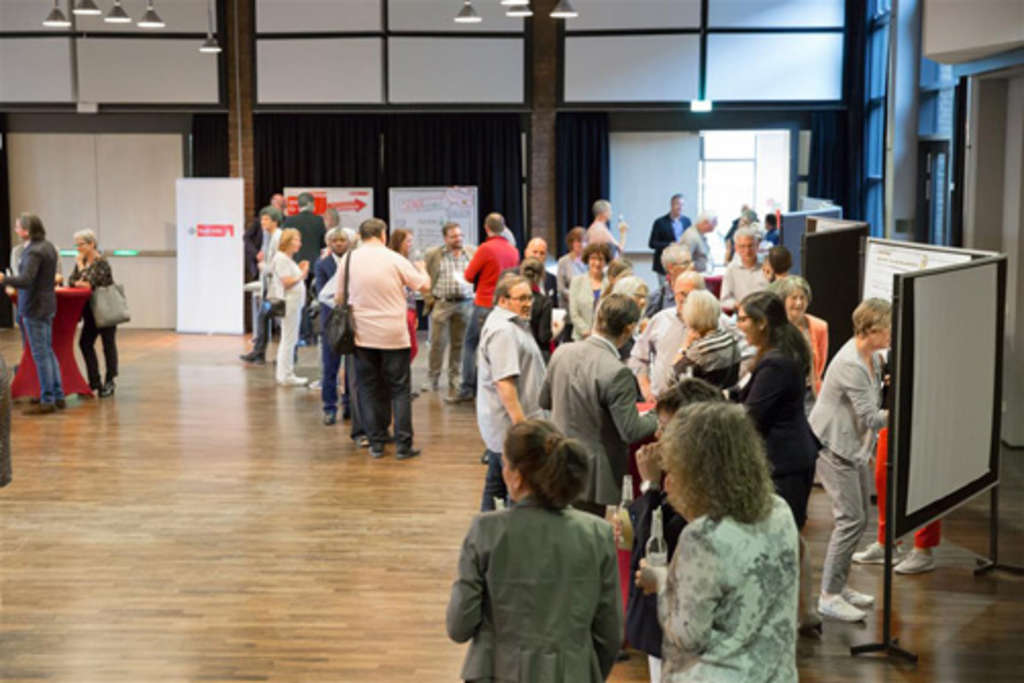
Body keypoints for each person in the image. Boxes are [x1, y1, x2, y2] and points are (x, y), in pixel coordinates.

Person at [446, 420, 622, 683]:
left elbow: (459, 626)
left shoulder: (485, 531)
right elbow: (609, 634)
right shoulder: (598, 534)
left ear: (516, 477)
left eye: (505, 464)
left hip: (496, 671)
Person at [634, 403, 799, 682]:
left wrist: (662, 583)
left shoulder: (702, 537)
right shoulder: (779, 510)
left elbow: (688, 635)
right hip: (774, 671)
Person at [622, 378, 723, 683]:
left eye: (665, 428)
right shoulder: (699, 477)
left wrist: (650, 485)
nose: (656, 435)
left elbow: (655, 549)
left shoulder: (699, 491)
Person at [735, 290, 821, 634]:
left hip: (784, 460)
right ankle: (804, 613)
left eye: (743, 319)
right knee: (790, 538)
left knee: (780, 540)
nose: (739, 325)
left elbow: (752, 415)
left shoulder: (776, 362)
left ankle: (785, 616)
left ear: (762, 323)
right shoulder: (778, 355)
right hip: (791, 457)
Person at [809, 299, 891, 622]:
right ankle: (828, 595)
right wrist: (906, 412)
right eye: (887, 328)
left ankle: (838, 586)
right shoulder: (851, 365)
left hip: (851, 447)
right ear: (870, 330)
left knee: (859, 518)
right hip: (833, 448)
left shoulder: (871, 357)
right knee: (850, 520)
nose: (891, 333)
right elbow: (871, 417)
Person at [541, 294, 658, 513]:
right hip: (592, 474)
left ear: (598, 317)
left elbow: (544, 401)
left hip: (557, 461)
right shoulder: (617, 371)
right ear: (629, 328)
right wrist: (658, 414)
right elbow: (631, 430)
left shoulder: (562, 352)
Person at [336, 218, 430, 460]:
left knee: (368, 389)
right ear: (383, 235)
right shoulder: (395, 259)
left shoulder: (348, 259)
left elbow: (338, 297)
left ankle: (376, 443)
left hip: (362, 335)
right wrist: (423, 269)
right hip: (393, 335)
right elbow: (424, 286)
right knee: (399, 389)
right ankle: (403, 445)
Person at [475, 275, 547, 511]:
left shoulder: (511, 324)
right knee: (516, 490)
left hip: (506, 429)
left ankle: (487, 537)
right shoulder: (504, 331)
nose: (528, 303)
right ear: (504, 300)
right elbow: (504, 383)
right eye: (521, 298)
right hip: (509, 428)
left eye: (530, 297)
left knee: (497, 484)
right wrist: (522, 429)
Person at [449, 213, 520, 404]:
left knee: (471, 345)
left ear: (486, 228)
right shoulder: (513, 251)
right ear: (504, 228)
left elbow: (469, 276)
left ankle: (467, 389)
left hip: (485, 303)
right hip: (506, 306)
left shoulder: (485, 248)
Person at [853, 427, 942, 574]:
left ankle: (923, 548)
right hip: (891, 411)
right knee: (884, 474)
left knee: (924, 469)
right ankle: (887, 542)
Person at [0, 214, 63, 414]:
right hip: (46, 305)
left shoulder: (33, 252)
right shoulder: (48, 246)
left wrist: (4, 279)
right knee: (48, 350)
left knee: (40, 353)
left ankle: (47, 400)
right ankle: (58, 394)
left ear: (27, 230)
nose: (16, 230)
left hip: (34, 307)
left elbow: (26, 280)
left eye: (18, 227)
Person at [630, 271, 705, 403]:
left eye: (690, 294)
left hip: (700, 404)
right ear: (674, 292)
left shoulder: (718, 321)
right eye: (681, 293)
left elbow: (745, 354)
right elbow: (638, 357)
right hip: (662, 401)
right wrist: (645, 388)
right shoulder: (660, 319)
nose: (684, 299)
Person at [422, 222, 475, 395]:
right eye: (453, 236)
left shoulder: (471, 252)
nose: (458, 239)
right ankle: (433, 378)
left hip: (465, 303)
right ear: (445, 238)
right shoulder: (434, 254)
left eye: (460, 235)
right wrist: (429, 298)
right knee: (438, 343)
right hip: (442, 303)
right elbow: (425, 277)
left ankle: (455, 377)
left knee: (459, 344)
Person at [69, 229, 119, 398]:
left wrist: (82, 271)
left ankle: (110, 380)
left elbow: (89, 283)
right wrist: (80, 279)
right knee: (84, 343)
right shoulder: (81, 261)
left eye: (81, 244)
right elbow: (71, 280)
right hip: (90, 312)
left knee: (108, 345)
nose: (78, 248)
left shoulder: (101, 262)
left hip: (105, 310)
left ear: (91, 244)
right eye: (76, 244)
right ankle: (94, 381)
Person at [314, 228, 352, 425]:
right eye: (334, 240)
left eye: (342, 240)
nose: (338, 243)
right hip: (331, 321)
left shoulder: (355, 262)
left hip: (353, 321)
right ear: (329, 243)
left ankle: (349, 405)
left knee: (352, 367)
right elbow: (322, 293)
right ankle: (329, 407)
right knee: (330, 367)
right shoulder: (322, 264)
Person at [770, 275, 828, 398]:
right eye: (794, 298)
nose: (799, 303)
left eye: (803, 298)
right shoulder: (774, 327)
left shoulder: (820, 326)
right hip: (779, 391)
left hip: (809, 392)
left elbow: (820, 364)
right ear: (783, 300)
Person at [240, 206, 283, 365]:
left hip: (276, 287)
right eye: (262, 219)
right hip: (269, 285)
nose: (262, 222)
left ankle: (285, 356)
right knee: (263, 318)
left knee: (279, 321)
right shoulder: (269, 236)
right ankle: (259, 352)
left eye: (266, 219)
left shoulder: (278, 237)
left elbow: (278, 263)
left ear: (274, 221)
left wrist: (264, 267)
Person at [672, 289, 739, 390]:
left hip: (705, 403)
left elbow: (674, 377)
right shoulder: (730, 339)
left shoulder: (701, 350)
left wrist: (685, 345)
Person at [283, 192, 326, 345]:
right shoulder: (318, 221)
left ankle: (303, 334)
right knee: (315, 300)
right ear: (312, 204)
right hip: (315, 266)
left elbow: (284, 244)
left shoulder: (289, 220)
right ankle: (315, 334)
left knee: (299, 301)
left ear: (299, 205)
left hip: (296, 267)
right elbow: (323, 244)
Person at [270, 228, 309, 387]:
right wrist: (302, 273)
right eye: (296, 240)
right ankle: (286, 375)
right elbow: (287, 282)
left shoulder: (286, 259)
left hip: (293, 302)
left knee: (289, 338)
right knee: (289, 338)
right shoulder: (282, 259)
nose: (299, 243)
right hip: (290, 302)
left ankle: (284, 373)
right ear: (287, 241)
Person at [388, 229, 420, 365]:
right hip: (398, 309)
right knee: (407, 348)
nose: (410, 244)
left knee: (411, 348)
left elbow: (411, 291)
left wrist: (415, 313)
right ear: (399, 242)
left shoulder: (407, 260)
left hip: (409, 309)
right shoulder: (391, 260)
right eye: (408, 241)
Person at [567, 243, 611, 341]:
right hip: (581, 337)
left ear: (606, 261)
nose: (597, 263)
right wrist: (586, 331)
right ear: (587, 260)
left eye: (601, 259)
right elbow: (574, 313)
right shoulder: (576, 281)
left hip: (604, 338)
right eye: (593, 258)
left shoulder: (610, 284)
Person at [648, 194, 692, 290]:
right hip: (664, 265)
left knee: (681, 290)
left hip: (681, 264)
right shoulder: (660, 222)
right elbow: (652, 243)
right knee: (665, 291)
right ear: (672, 205)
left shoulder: (687, 221)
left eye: (682, 205)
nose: (680, 207)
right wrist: (670, 245)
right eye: (677, 204)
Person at [719, 227, 768, 310]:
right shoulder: (731, 269)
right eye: (742, 246)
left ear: (757, 246)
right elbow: (724, 300)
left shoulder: (767, 265)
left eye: (750, 246)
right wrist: (738, 305)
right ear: (736, 248)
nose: (747, 251)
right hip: (742, 312)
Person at [644, 243, 692, 318]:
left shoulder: (700, 292)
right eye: (686, 263)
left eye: (691, 262)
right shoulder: (658, 298)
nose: (692, 266)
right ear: (671, 268)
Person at [244, 193, 284, 282]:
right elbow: (247, 238)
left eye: (282, 205)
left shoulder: (279, 233)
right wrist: (256, 253)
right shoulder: (259, 222)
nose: (263, 222)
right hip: (259, 264)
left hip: (273, 269)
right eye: (278, 204)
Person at [520, 259, 553, 361]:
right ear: (542, 276)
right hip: (537, 353)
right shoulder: (544, 302)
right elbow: (544, 336)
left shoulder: (512, 298)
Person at [610, 275, 649, 359]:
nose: (643, 301)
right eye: (638, 296)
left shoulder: (637, 325)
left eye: (644, 297)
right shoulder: (615, 326)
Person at [556, 227, 587, 310]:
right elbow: (561, 288)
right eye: (578, 241)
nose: (582, 244)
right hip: (569, 306)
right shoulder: (563, 261)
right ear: (571, 243)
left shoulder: (589, 261)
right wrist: (576, 298)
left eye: (584, 241)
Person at [523, 237, 558, 301]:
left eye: (542, 253)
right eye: (535, 252)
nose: (538, 256)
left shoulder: (552, 279)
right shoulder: (512, 275)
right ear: (526, 253)